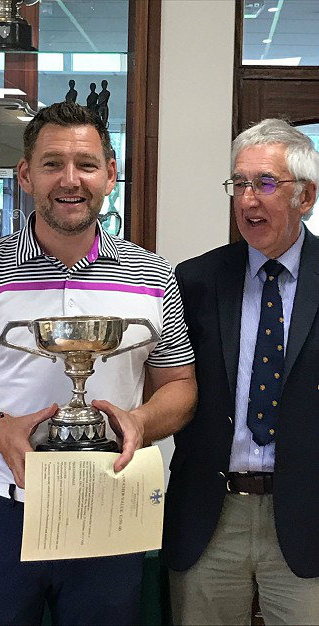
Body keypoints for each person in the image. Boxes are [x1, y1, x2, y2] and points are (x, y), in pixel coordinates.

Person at [0, 101, 197, 626]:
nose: (70, 180)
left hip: (109, 509)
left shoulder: (153, 275)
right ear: (26, 175)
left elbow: (180, 385)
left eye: (87, 164)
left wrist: (142, 421)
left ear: (111, 175)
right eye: (52, 164)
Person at [163, 118, 319, 625]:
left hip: (307, 516)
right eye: (240, 183)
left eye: (266, 184)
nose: (249, 199)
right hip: (211, 514)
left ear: (306, 195)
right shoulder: (196, 280)